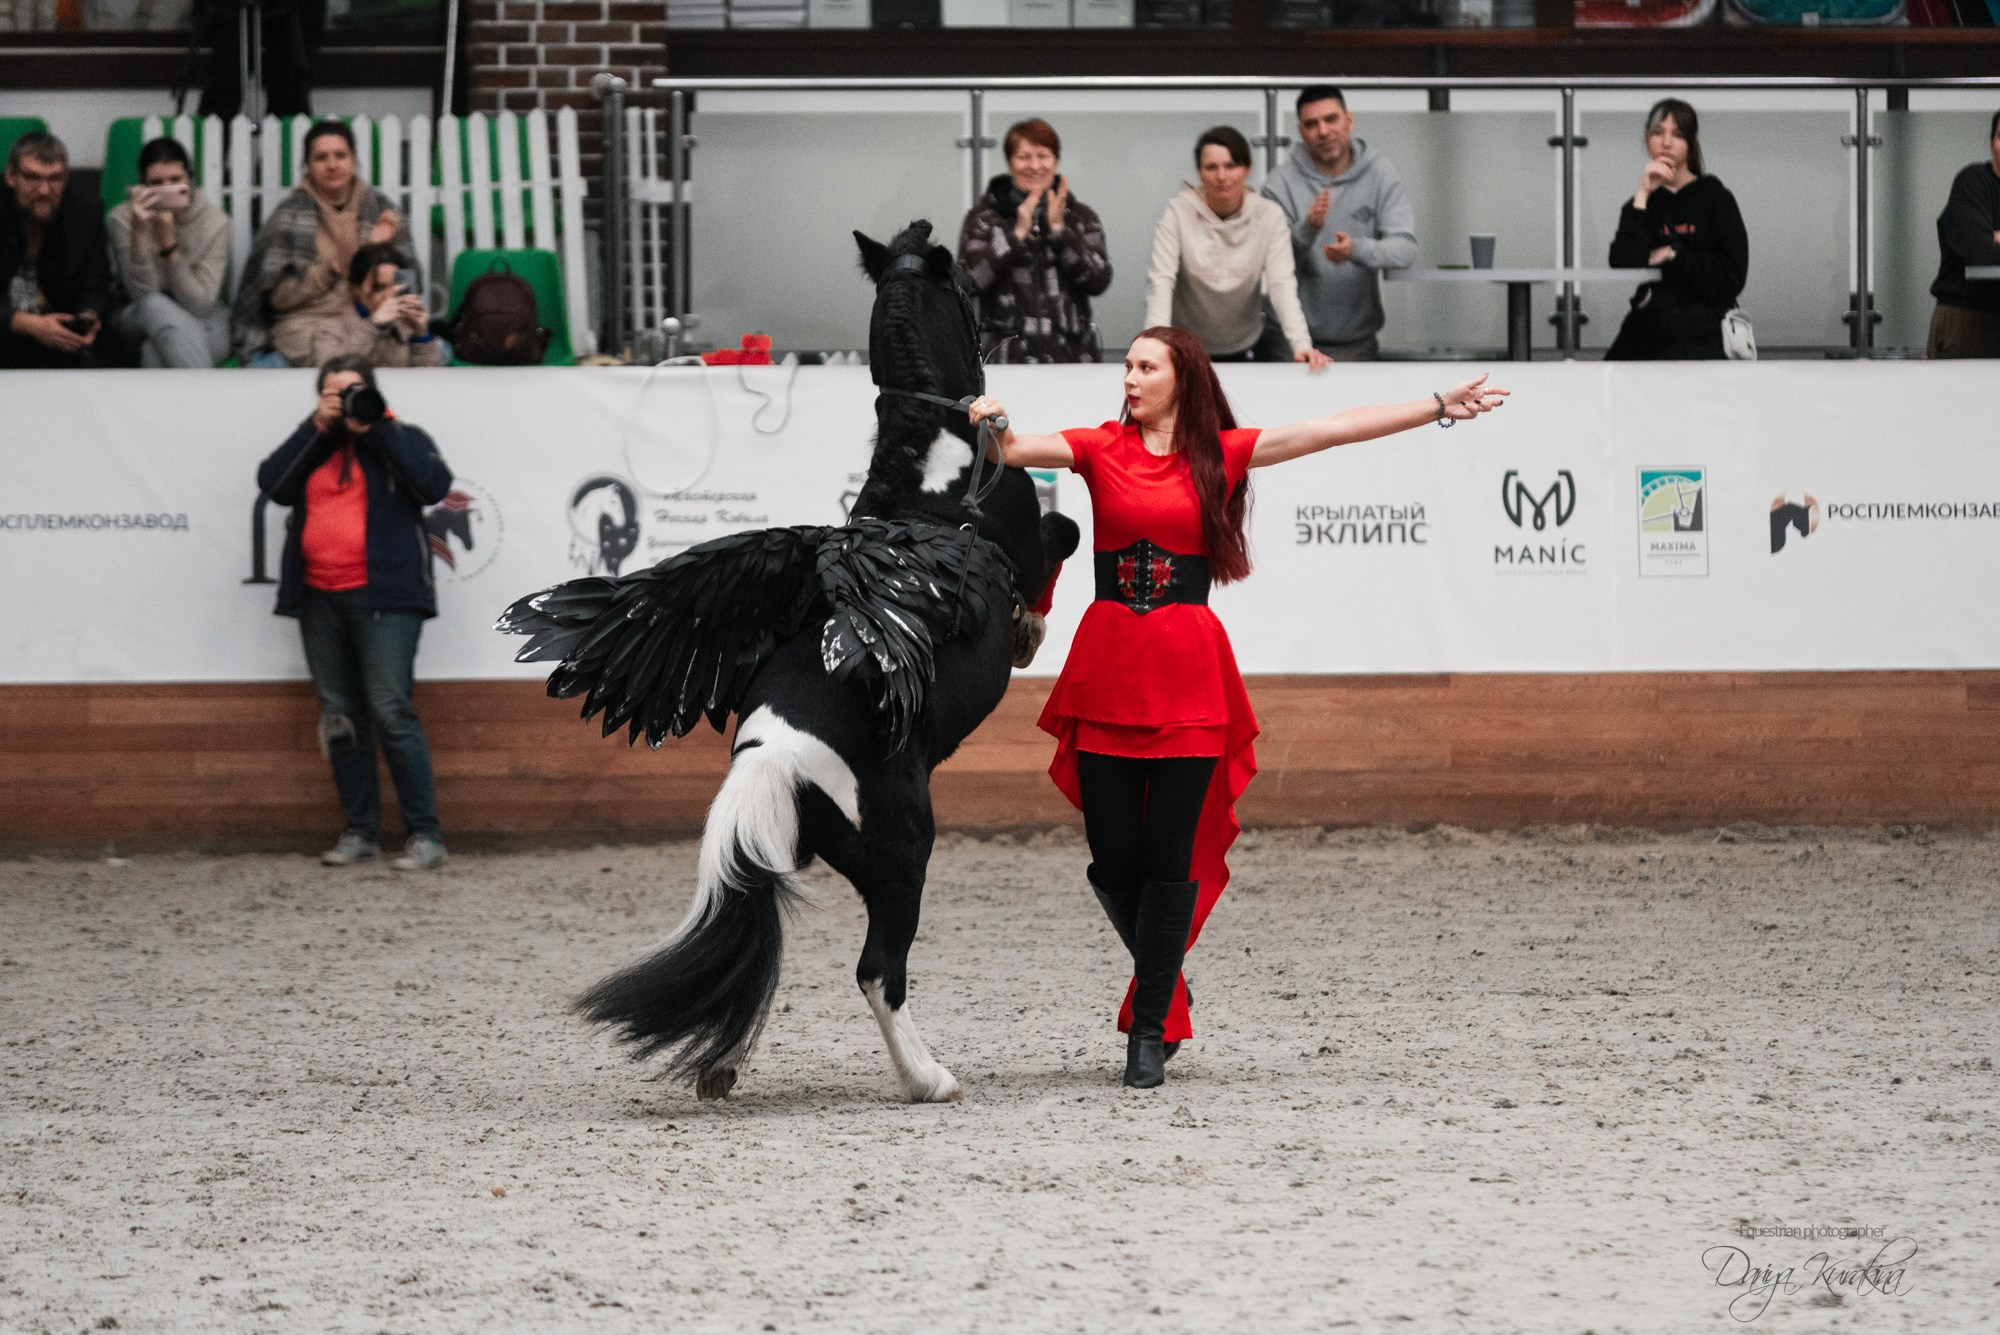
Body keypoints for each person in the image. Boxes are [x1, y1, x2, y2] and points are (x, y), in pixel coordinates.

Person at [967, 327, 1507, 1088]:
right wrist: (991, 420)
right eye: (1127, 366)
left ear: (1181, 378)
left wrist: (1435, 405)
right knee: (1113, 861)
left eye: (1145, 366)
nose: (1129, 377)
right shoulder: (1098, 447)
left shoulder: (1220, 454)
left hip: (1190, 677)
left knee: (1167, 860)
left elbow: (1333, 428)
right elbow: (1012, 450)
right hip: (1108, 673)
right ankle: (1168, 985)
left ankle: (1148, 1029)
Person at [256, 355, 454, 872]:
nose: (346, 402)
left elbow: (434, 485)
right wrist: (316, 427)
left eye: (354, 391)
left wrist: (378, 426)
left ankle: (425, 836)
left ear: (374, 391)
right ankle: (359, 832)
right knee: (339, 715)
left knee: (391, 711)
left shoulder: (401, 436)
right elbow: (273, 485)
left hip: (387, 597)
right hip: (319, 598)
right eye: (334, 393)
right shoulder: (315, 442)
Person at [233, 120, 415, 368]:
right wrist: (334, 267)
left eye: (340, 155)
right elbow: (277, 300)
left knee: (435, 350)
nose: (332, 165)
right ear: (308, 165)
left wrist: (376, 253)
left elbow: (408, 287)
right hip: (308, 325)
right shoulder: (289, 216)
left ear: (353, 160)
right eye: (321, 157)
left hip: (372, 319)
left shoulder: (382, 210)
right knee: (336, 363)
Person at [1145, 126, 1327, 370]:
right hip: (1188, 347)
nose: (1221, 176)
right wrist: (1154, 347)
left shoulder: (1269, 216)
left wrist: (1302, 345)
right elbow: (1161, 282)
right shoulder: (1177, 213)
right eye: (1211, 167)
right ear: (1199, 172)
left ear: (1247, 168)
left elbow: (1282, 285)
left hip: (1246, 344)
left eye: (1230, 166)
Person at [1260, 86, 1419, 362]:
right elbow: (1269, 259)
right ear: (1300, 131)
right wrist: (1308, 229)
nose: (1323, 131)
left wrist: (1355, 249)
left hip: (1355, 342)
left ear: (1349, 120)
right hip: (1288, 341)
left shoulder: (1380, 173)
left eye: (1331, 119)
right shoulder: (1279, 182)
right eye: (1311, 124)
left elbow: (1405, 249)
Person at [956, 118, 1113, 363]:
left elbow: (1098, 280)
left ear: (1056, 162)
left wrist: (1060, 233)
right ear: (1009, 163)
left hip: (1071, 358)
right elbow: (968, 281)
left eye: (1043, 156)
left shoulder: (1081, 216)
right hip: (1005, 358)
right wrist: (1015, 236)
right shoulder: (983, 218)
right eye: (1024, 157)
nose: (1034, 165)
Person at [1605, 98, 1748, 361]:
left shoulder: (1715, 198)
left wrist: (1674, 254)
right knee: (1609, 377)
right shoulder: (1640, 205)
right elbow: (1622, 260)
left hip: (1702, 336)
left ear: (1691, 143)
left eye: (1678, 135)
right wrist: (1643, 193)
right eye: (1658, 133)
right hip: (1650, 331)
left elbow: (1732, 277)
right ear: (1647, 139)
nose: (1666, 143)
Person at [106, 136, 232, 369]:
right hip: (140, 316)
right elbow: (143, 297)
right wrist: (140, 232)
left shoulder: (215, 222)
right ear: (143, 185)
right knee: (157, 305)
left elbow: (201, 305)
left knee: (153, 353)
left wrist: (169, 246)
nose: (168, 189)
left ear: (190, 180)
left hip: (204, 316)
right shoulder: (122, 219)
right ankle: (210, 393)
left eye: (176, 180)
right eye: (157, 183)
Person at [2, 132, 116, 369]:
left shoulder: (85, 213)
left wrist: (88, 316)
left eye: (54, 179)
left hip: (60, 335)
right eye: (32, 177)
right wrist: (30, 324)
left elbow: (96, 284)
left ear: (65, 180)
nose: (44, 190)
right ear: (10, 176)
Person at [1926, 109, 2000, 359]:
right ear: (1991, 144)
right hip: (1969, 316)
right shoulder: (1974, 182)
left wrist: (1996, 236)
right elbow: (1980, 252)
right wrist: (1988, 240)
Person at [311, 241, 445, 367]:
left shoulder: (407, 327)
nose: (390, 295)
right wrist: (373, 325)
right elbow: (334, 371)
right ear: (354, 289)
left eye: (396, 287)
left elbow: (430, 380)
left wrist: (421, 335)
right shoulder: (328, 330)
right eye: (380, 288)